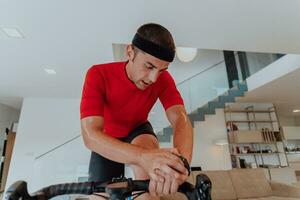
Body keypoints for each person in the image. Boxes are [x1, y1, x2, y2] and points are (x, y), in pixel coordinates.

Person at [80, 23, 193, 200]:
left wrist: (181, 163)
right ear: (130, 52)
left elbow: (180, 118)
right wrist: (143, 158)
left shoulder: (163, 80)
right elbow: (90, 135)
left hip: (138, 129)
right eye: (149, 66)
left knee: (148, 189)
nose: (154, 78)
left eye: (162, 70)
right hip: (107, 135)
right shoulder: (97, 74)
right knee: (98, 197)